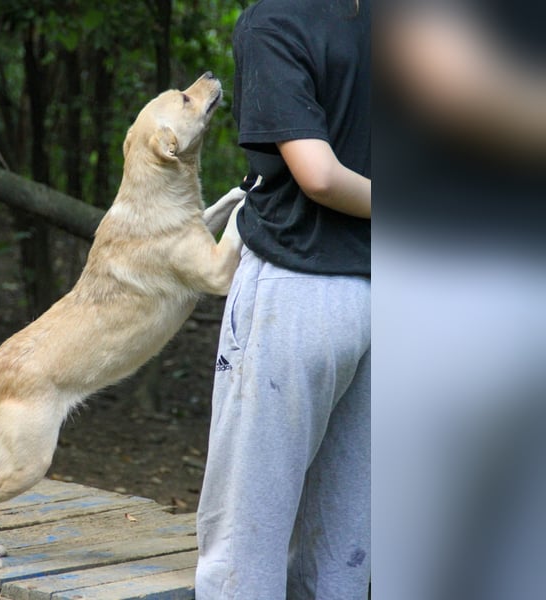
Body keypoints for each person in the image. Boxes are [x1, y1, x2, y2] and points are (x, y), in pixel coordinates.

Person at [195, 1, 371, 598]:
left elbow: (318, 176)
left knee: (245, 539)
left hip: (298, 292)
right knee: (344, 541)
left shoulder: (273, 21)